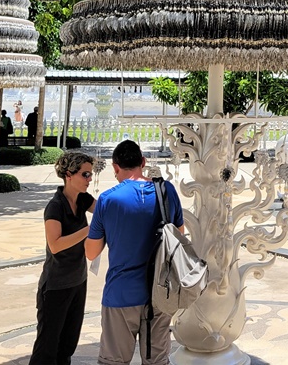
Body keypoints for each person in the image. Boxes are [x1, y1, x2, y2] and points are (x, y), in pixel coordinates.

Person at [85, 139, 184, 365]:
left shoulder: (108, 199)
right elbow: (179, 234)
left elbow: (92, 253)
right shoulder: (166, 190)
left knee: (114, 361)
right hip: (160, 293)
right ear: (143, 161)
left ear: (115, 166)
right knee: (157, 361)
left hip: (121, 294)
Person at [29, 151, 96, 365]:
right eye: (85, 174)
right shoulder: (55, 206)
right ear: (69, 175)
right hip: (56, 286)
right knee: (47, 349)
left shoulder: (84, 200)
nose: (90, 179)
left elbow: (107, 211)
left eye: (91, 174)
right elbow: (55, 245)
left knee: (67, 346)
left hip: (78, 281)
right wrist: (88, 230)